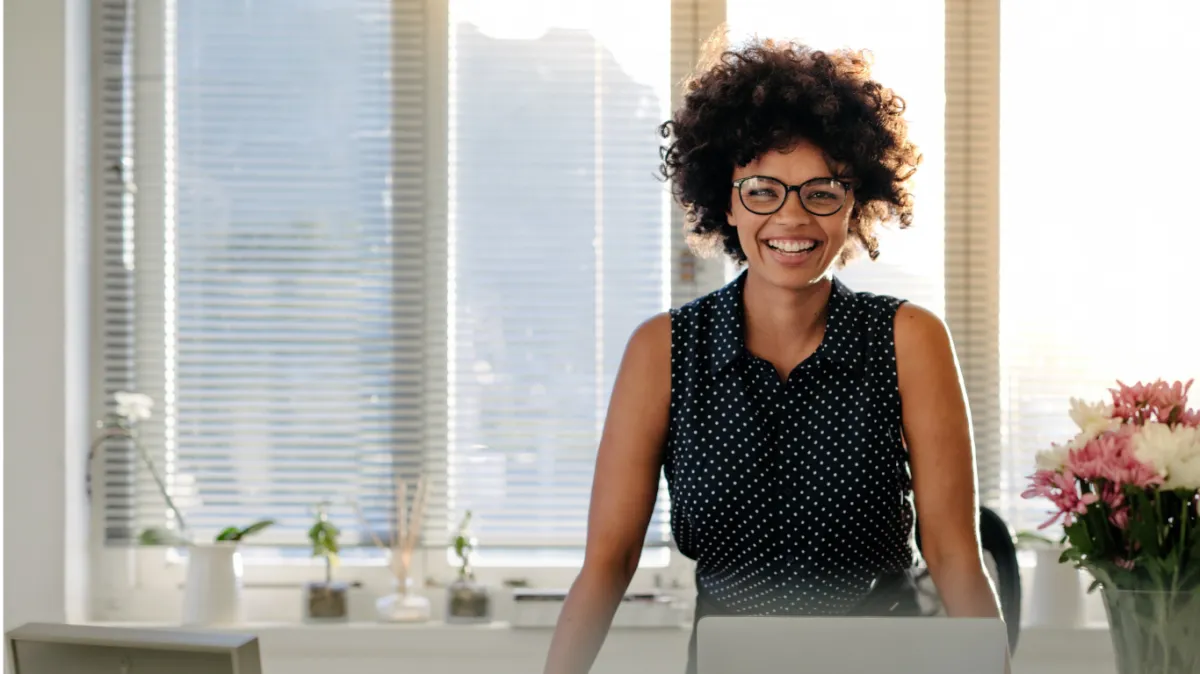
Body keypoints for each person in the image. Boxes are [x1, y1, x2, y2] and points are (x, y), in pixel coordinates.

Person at [543, 35, 1006, 674]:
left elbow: (954, 553)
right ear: (727, 201)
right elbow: (608, 563)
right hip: (731, 661)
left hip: (887, 659)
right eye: (763, 190)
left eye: (822, 191)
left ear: (855, 204)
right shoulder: (662, 351)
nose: (792, 218)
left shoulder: (909, 339)